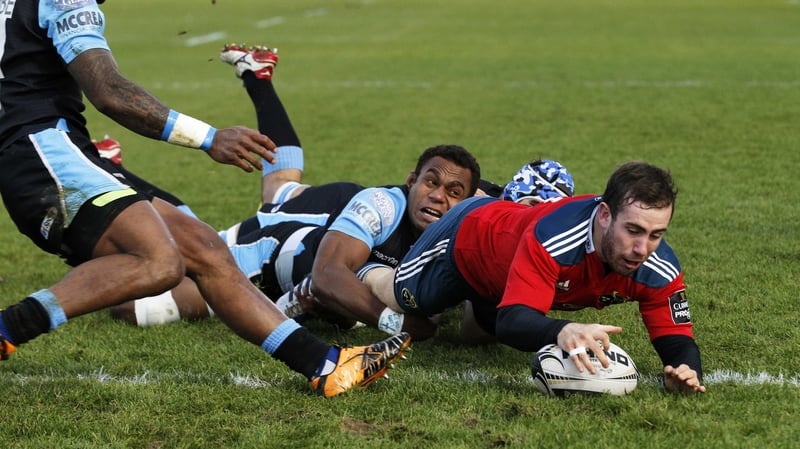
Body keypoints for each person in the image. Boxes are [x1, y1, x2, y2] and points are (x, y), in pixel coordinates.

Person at [0, 0, 411, 398]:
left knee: (206, 248)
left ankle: (325, 365)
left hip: (50, 154)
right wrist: (210, 137)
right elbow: (109, 91)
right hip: (46, 155)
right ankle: (9, 327)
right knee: (159, 261)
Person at [362, 161, 706, 394]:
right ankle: (367, 269)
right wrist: (562, 330)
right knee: (405, 299)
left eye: (656, 234)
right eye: (633, 230)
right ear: (604, 215)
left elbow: (676, 338)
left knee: (475, 334)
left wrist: (686, 371)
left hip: (503, 272)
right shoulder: (554, 239)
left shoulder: (659, 265)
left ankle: (470, 304)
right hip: (466, 240)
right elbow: (511, 323)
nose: (642, 248)